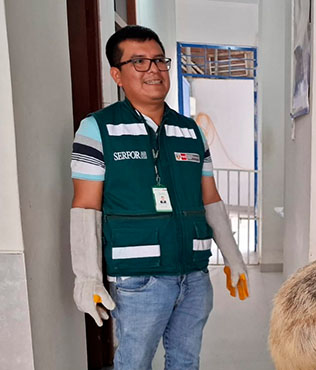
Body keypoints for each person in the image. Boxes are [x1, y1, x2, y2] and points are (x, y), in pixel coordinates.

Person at [69, 25, 248, 369]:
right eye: (139, 62)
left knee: (186, 361)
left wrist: (233, 258)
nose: (153, 70)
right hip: (140, 279)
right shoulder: (97, 129)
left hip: (194, 275)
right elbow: (85, 206)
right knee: (134, 362)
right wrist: (87, 275)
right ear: (117, 75)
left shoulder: (190, 130)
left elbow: (211, 199)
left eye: (159, 60)